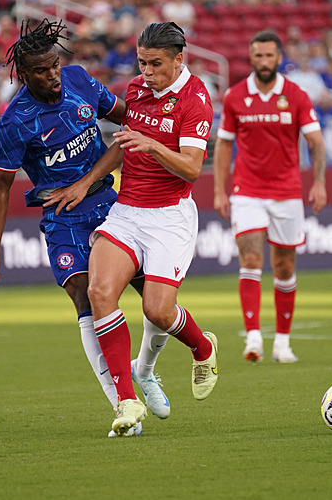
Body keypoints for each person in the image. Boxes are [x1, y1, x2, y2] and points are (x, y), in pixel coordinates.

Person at [0, 19, 171, 438]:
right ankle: (123, 402)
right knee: (84, 293)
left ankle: (147, 371)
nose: (52, 76)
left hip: (108, 202)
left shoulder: (80, 81)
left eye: (55, 66)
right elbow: (0, 188)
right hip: (62, 216)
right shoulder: (15, 122)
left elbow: (129, 125)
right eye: (42, 72)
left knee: (154, 297)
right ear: (23, 75)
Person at [82, 22, 218, 436]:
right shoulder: (136, 90)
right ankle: (127, 400)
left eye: (156, 64)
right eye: (142, 62)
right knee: (99, 291)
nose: (146, 72)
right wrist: (86, 182)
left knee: (156, 310)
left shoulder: (195, 100)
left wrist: (156, 145)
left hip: (170, 217)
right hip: (127, 211)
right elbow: (125, 144)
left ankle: (203, 347)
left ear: (180, 59)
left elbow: (193, 169)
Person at [213, 30, 327, 364]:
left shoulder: (296, 95)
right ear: (251, 57)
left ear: (279, 58)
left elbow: (316, 142)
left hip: (287, 192)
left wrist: (319, 183)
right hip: (247, 190)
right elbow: (223, 144)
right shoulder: (235, 97)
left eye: (269, 56)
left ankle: (282, 342)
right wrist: (220, 190)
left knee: (284, 266)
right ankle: (253, 339)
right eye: (258, 55)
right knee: (249, 258)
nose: (264, 61)